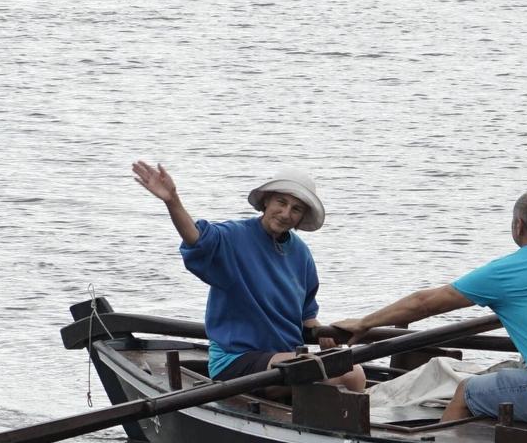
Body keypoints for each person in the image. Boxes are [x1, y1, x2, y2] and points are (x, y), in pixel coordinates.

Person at [330, 190, 527, 427]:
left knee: (467, 390)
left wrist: (364, 322)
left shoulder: (508, 271)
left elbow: (424, 303)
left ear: (518, 226)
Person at [131, 161, 363, 393]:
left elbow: (306, 315)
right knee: (344, 375)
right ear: (266, 201)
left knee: (353, 372)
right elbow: (197, 240)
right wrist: (172, 201)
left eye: (296, 209)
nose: (285, 214)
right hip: (236, 361)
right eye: (281, 202)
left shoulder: (301, 254)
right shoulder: (234, 237)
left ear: (302, 217)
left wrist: (324, 334)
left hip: (285, 358)